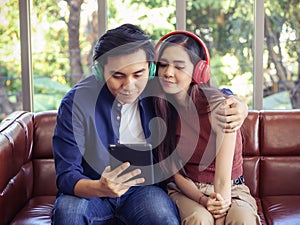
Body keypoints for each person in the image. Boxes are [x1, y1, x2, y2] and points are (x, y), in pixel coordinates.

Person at [52, 23, 247, 225]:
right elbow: (66, 174)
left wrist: (238, 104)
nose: (129, 86)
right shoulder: (76, 102)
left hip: (144, 190)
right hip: (92, 189)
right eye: (117, 76)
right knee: (68, 213)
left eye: (138, 74)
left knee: (162, 217)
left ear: (151, 68)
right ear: (101, 72)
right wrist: (99, 187)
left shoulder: (159, 88)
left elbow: (204, 91)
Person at [153, 31, 261, 225]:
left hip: (230, 188)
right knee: (199, 220)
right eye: (163, 64)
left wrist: (220, 213)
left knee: (242, 220)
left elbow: (222, 181)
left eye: (179, 66)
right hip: (186, 189)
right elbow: (176, 174)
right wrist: (203, 200)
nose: (168, 72)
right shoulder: (159, 109)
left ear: (198, 71)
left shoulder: (221, 108)